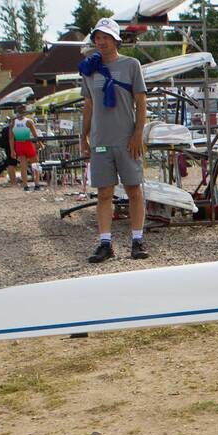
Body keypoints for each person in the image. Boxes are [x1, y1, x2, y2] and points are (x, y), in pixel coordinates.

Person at [79, 17, 148, 263]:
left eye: (106, 37)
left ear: (116, 40)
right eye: (98, 37)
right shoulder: (89, 69)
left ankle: (137, 240)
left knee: (133, 189)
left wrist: (138, 133)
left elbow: (140, 102)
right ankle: (105, 243)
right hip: (100, 139)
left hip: (126, 138)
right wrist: (83, 137)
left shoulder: (131, 65)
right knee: (104, 192)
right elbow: (88, 105)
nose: (101, 42)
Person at [10, 105, 43, 191]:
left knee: (23, 167)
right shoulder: (29, 121)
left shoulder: (13, 123)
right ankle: (37, 184)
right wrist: (40, 143)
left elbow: (11, 138)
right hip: (27, 143)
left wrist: (12, 150)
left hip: (18, 144)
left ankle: (25, 185)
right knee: (35, 164)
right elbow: (35, 135)